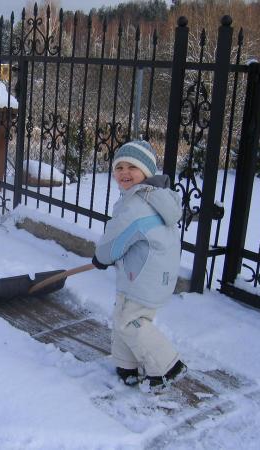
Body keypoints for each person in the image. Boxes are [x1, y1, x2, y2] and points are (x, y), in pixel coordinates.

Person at [92, 140, 186, 392]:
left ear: (146, 172)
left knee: (128, 321)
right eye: (119, 167)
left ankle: (167, 365)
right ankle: (127, 366)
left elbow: (115, 241)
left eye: (132, 167)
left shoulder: (136, 205)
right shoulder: (155, 198)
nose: (124, 173)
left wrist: (101, 257)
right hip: (153, 275)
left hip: (142, 277)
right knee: (125, 314)